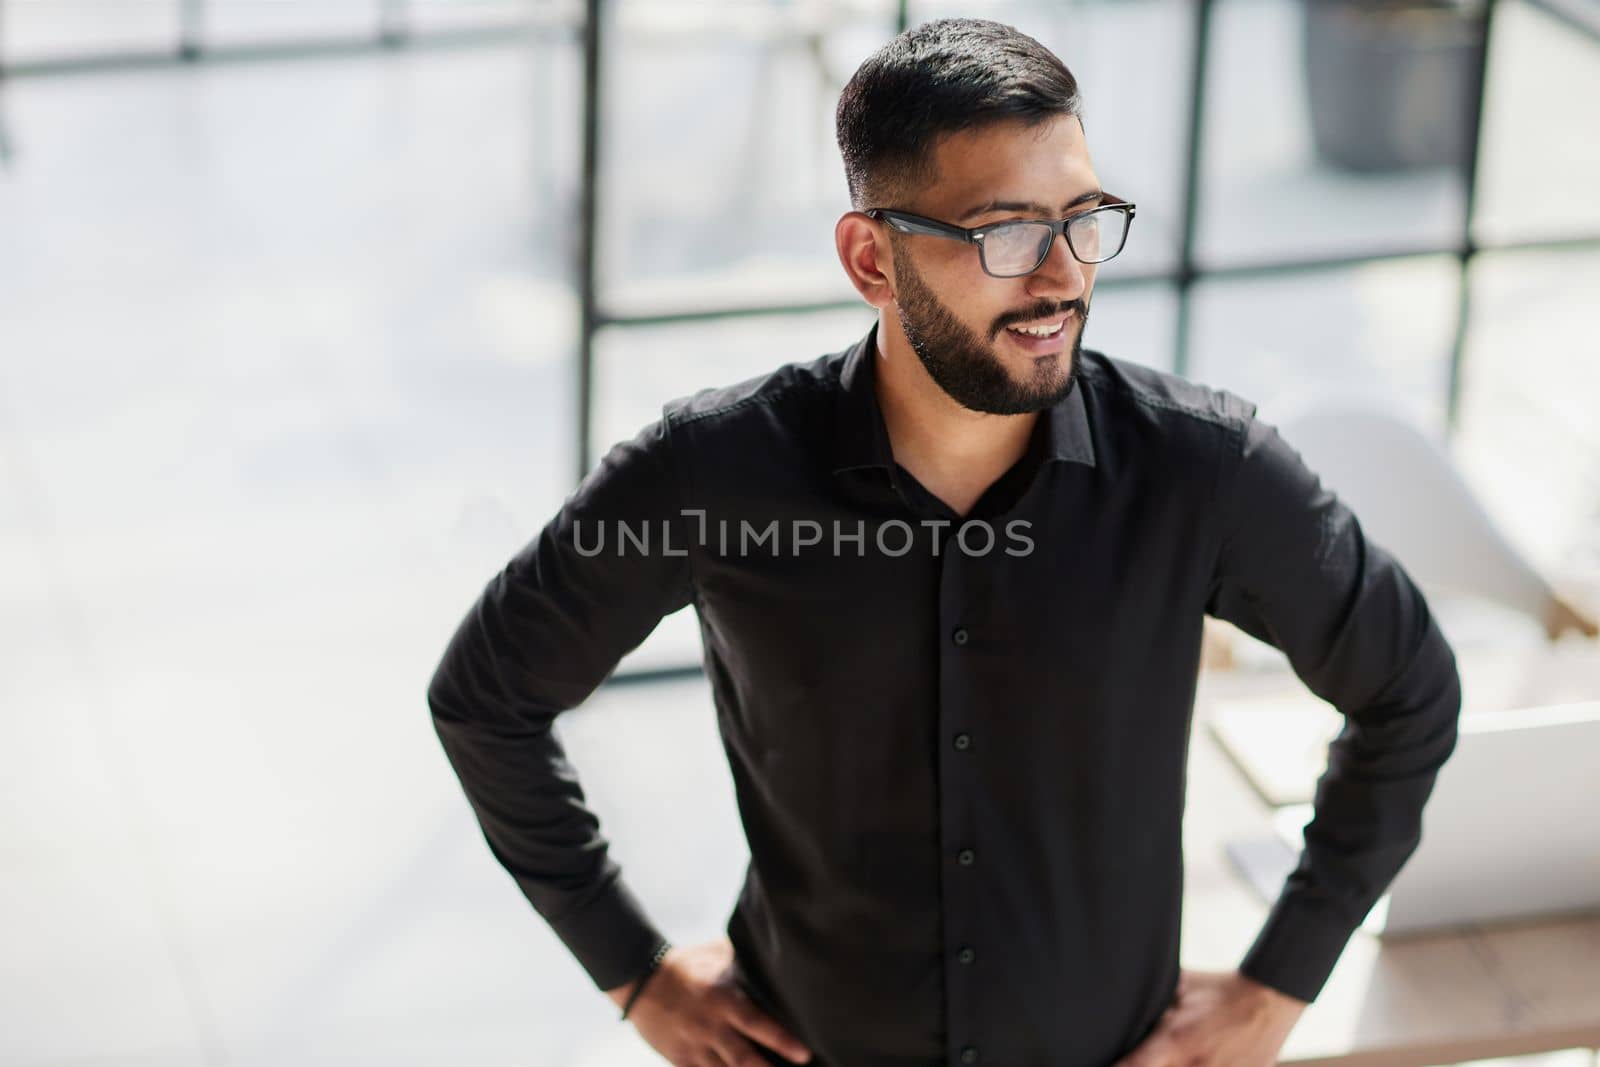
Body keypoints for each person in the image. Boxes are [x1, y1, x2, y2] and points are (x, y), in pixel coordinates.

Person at [427, 18, 1462, 1067]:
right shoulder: (714, 471)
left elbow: (1409, 688)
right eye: (1004, 232)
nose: (1060, 276)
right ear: (871, 257)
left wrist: (1278, 980)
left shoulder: (1202, 471)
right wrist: (633, 972)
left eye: (1083, 218)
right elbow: (486, 696)